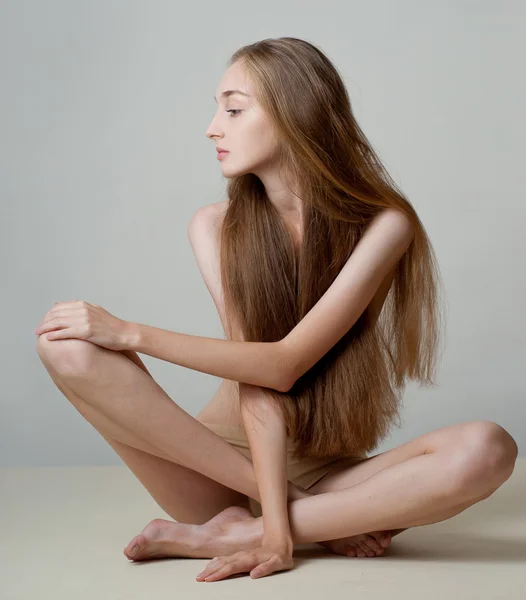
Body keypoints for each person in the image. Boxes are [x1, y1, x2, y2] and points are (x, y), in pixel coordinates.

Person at [35, 36, 518, 582]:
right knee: (66, 346)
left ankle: (242, 529)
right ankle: (300, 519)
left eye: (234, 109)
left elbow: (284, 363)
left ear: (295, 114)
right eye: (218, 109)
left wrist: (129, 333)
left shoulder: (384, 225)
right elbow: (258, 382)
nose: (213, 127)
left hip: (328, 476)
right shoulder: (215, 226)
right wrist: (280, 516)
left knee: (487, 448)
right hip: (220, 471)